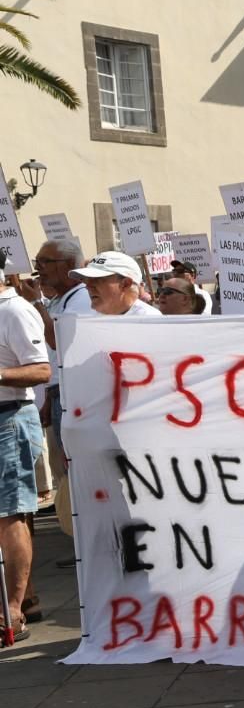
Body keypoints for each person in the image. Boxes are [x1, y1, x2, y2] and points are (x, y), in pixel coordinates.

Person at [17, 239, 90, 551]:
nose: (39, 269)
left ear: (67, 265)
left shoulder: (82, 299)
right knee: (66, 476)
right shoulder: (61, 300)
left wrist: (35, 304)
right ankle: (79, 541)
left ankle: (89, 542)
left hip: (75, 395)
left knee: (77, 473)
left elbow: (60, 342)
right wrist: (47, 394)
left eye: (45, 262)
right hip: (58, 393)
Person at [0, 271, 50, 639]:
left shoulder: (13, 310)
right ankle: (22, 600)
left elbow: (41, 368)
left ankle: (12, 612)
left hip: (9, 418)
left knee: (9, 513)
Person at [73, 252, 163, 317]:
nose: (88, 287)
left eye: (97, 280)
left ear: (125, 284)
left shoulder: (150, 321)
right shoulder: (83, 318)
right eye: (87, 280)